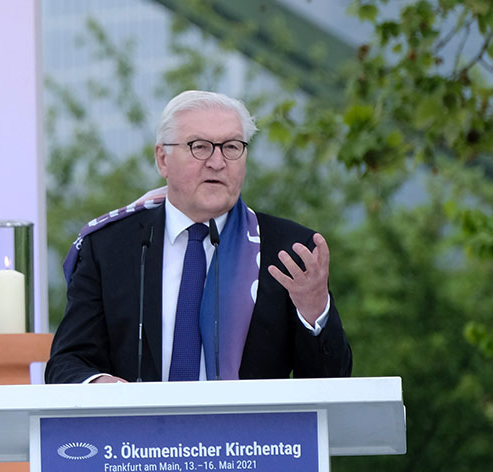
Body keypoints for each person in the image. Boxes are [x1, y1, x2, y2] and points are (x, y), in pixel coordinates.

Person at [45, 90, 352, 384]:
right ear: (163, 159)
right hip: (136, 435)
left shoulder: (289, 250)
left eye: (231, 147)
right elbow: (67, 362)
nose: (217, 162)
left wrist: (314, 313)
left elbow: (332, 382)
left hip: (252, 437)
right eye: (199, 146)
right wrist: (101, 385)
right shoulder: (110, 247)